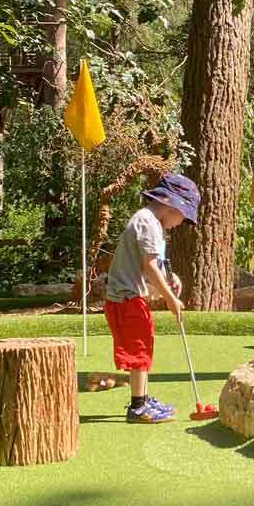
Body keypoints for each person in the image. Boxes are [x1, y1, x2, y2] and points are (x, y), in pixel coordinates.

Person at [104, 173, 199, 423]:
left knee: (144, 345)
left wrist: (171, 279)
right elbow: (149, 266)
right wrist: (169, 298)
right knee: (139, 350)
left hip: (131, 297)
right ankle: (137, 407)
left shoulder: (151, 222)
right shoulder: (147, 222)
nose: (181, 223)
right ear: (171, 205)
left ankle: (143, 399)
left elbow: (151, 265)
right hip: (126, 299)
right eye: (183, 216)